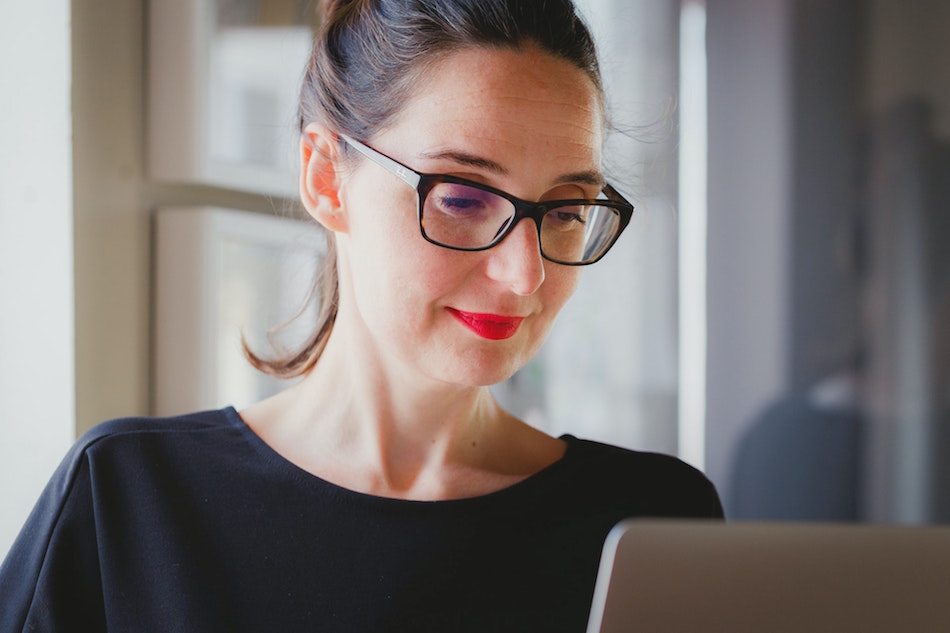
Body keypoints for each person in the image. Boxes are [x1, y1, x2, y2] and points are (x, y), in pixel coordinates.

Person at [0, 0, 722, 630]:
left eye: (564, 211)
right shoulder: (128, 502)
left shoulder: (650, 524)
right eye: (463, 197)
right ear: (325, 176)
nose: (525, 274)